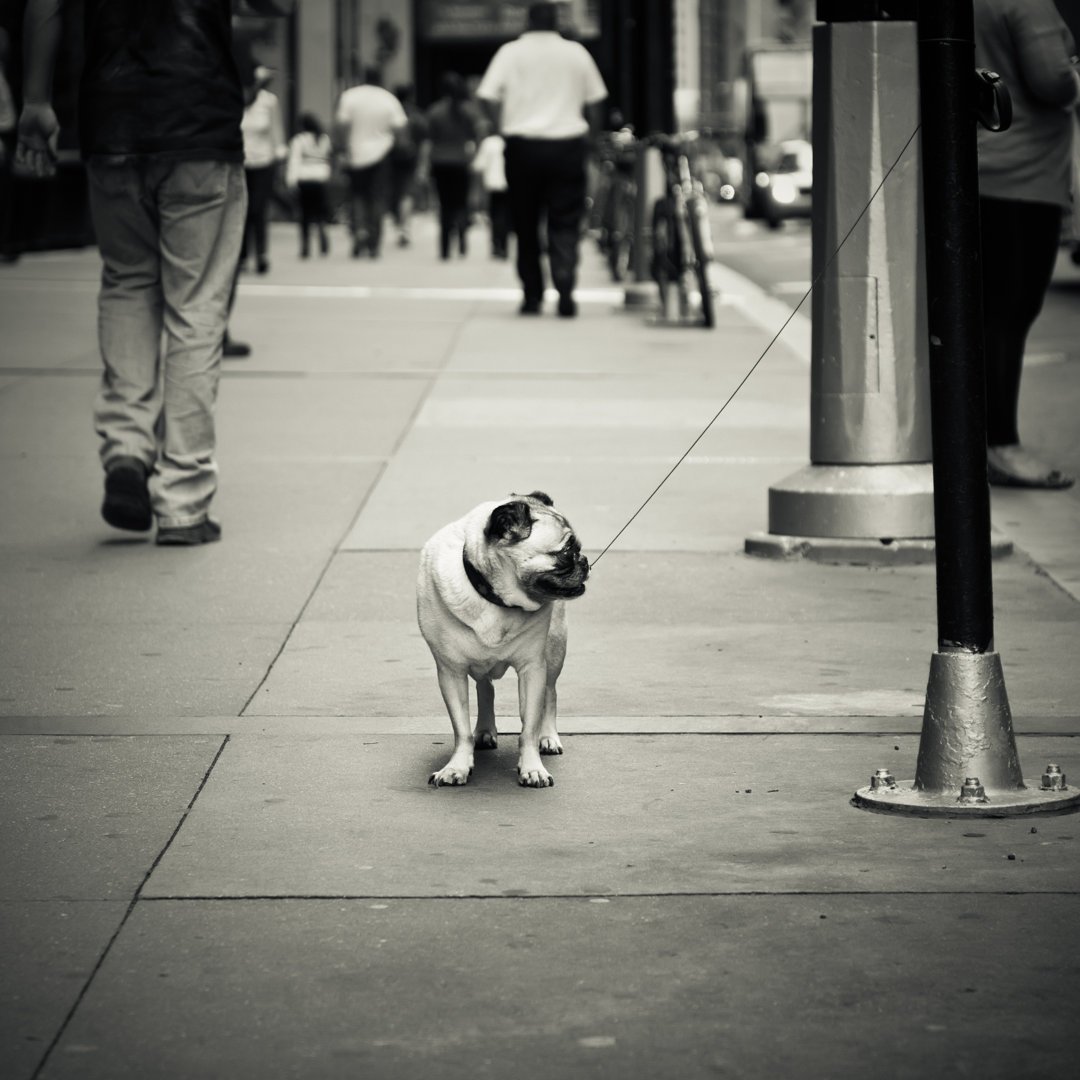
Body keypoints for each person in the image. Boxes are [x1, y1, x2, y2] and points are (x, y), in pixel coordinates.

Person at [15, 0, 252, 545]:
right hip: (200, 122)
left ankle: (126, 448)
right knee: (195, 309)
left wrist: (35, 99)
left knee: (127, 283)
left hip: (112, 121)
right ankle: (183, 501)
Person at [974, 0, 1079, 489]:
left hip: (975, 166)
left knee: (984, 312)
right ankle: (1002, 445)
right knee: (1010, 311)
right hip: (1023, 175)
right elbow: (1050, 79)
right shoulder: (1025, 2)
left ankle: (978, 441)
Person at [475, 2, 607, 316]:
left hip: (523, 148)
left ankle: (532, 294)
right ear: (556, 22)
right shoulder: (576, 53)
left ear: (528, 20)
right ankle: (564, 285)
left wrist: (502, 127)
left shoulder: (510, 52)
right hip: (567, 146)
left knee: (525, 222)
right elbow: (596, 102)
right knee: (565, 219)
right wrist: (590, 138)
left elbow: (486, 97)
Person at [334, 65, 407, 259]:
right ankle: (374, 240)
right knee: (377, 198)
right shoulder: (388, 99)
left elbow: (341, 125)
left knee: (357, 197)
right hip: (381, 155)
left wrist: (342, 150)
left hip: (355, 155)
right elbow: (400, 129)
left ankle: (359, 232)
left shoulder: (350, 96)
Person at [425, 72, 480, 260]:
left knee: (445, 205)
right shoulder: (468, 111)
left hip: (440, 161)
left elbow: (429, 140)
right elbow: (476, 135)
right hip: (461, 160)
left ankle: (445, 247)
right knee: (461, 203)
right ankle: (463, 235)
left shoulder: (435, 111)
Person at [240, 65, 286, 275]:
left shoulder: (269, 102)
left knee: (258, 209)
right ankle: (241, 255)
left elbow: (276, 129)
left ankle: (261, 254)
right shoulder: (236, 99)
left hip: (263, 162)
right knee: (241, 211)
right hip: (240, 162)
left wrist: (280, 155)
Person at [285, 111, 333, 258]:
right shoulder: (324, 139)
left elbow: (294, 161)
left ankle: (305, 246)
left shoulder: (299, 140)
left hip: (305, 179)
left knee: (305, 214)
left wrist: (291, 181)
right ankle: (322, 230)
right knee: (320, 211)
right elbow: (329, 158)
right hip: (321, 178)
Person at [389, 83, 428, 248]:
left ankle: (400, 225)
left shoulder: (390, 114)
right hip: (411, 160)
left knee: (394, 194)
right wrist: (423, 164)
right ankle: (404, 228)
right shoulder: (416, 116)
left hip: (390, 160)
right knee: (407, 194)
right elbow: (425, 142)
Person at [471, 129, 510, 258]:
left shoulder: (489, 143)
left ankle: (496, 245)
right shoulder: (511, 141)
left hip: (493, 184)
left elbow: (478, 165)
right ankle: (504, 246)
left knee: (495, 215)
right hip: (509, 184)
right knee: (505, 214)